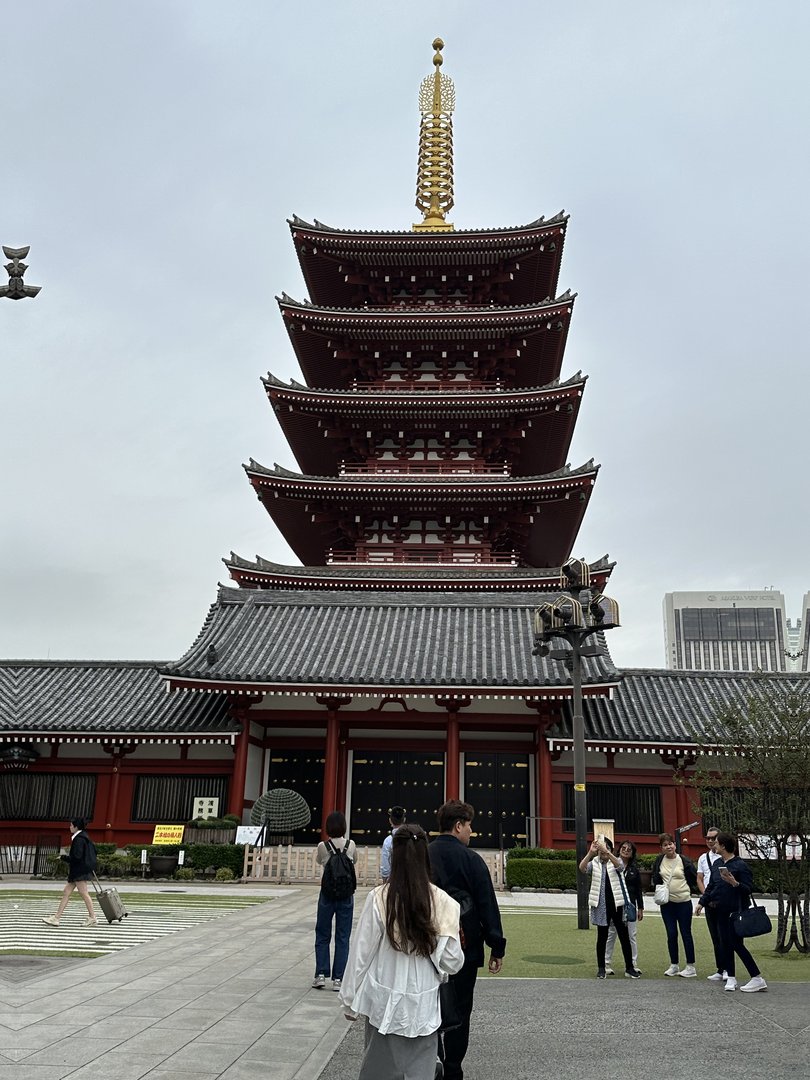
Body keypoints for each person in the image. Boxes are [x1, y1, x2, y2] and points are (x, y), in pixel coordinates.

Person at [340, 824, 464, 1080]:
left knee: (379, 1072)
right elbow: (453, 963)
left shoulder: (380, 898)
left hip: (385, 1002)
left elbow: (361, 952)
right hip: (423, 1008)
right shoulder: (444, 903)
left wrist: (349, 998)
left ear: (394, 858)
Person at [428, 800, 506, 1080]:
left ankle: (431, 1062)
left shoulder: (424, 855)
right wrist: (496, 945)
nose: (471, 831)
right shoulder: (472, 860)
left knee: (428, 1007)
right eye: (469, 825)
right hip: (464, 948)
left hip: (427, 948)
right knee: (461, 1010)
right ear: (458, 825)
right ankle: (453, 1069)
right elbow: (487, 904)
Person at [696, 831, 767, 992]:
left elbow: (748, 889)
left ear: (723, 845)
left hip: (736, 911)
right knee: (724, 944)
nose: (713, 844)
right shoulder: (717, 864)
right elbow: (712, 887)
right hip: (720, 911)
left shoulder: (740, 865)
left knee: (736, 944)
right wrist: (702, 902)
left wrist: (735, 883)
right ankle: (732, 978)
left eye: (716, 842)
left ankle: (757, 977)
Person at [579, 836, 641, 979]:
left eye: (605, 847)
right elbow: (582, 868)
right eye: (600, 848)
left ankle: (629, 967)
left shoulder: (614, 862)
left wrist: (608, 853)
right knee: (602, 937)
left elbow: (620, 866)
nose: (602, 850)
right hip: (601, 905)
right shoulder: (594, 863)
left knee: (624, 936)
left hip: (617, 904)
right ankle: (601, 968)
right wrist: (591, 853)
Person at [312, 811, 357, 991]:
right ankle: (339, 978)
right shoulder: (351, 844)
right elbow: (354, 861)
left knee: (323, 933)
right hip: (346, 894)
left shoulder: (323, 846)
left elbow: (319, 861)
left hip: (328, 893)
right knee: (343, 936)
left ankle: (321, 974)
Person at [652, 831, 698, 977]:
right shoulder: (659, 861)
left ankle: (690, 966)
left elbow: (693, 877)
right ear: (661, 848)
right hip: (667, 904)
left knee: (686, 933)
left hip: (684, 902)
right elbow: (656, 877)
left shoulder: (684, 860)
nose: (669, 847)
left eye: (670, 844)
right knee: (671, 934)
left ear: (675, 845)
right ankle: (674, 965)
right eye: (665, 845)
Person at [42, 817, 98, 927]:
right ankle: (56, 918)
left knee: (84, 893)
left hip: (79, 871)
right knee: (66, 892)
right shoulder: (84, 837)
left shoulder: (79, 839)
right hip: (79, 870)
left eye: (71, 825)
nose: (70, 827)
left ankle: (93, 917)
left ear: (76, 827)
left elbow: (76, 857)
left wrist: (63, 857)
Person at [604, 839, 644, 975]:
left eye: (629, 849)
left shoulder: (634, 870)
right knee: (611, 934)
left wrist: (640, 908)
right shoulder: (611, 865)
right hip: (615, 904)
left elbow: (638, 890)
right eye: (624, 848)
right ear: (619, 849)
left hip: (630, 906)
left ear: (632, 854)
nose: (626, 850)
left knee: (631, 935)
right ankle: (606, 963)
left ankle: (633, 963)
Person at [697, 825, 726, 981]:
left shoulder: (724, 856)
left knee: (724, 936)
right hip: (709, 901)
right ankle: (720, 969)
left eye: (713, 838)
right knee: (715, 936)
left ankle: (729, 968)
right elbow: (699, 879)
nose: (709, 841)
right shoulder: (703, 857)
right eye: (707, 838)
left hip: (724, 901)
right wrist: (705, 897)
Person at [380, 805, 406, 881]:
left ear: (390, 820)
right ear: (404, 819)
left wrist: (385, 879)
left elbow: (386, 866)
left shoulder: (388, 841)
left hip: (394, 879)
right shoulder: (412, 837)